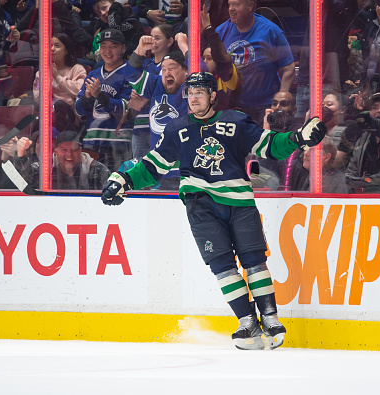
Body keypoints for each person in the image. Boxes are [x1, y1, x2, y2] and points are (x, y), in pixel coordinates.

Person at [100, 72, 327, 350]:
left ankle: (269, 317)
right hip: (201, 206)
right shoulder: (176, 129)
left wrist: (298, 138)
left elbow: (269, 146)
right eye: (190, 93)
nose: (194, 98)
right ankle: (247, 322)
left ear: (212, 96)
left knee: (254, 260)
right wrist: (124, 180)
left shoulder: (235, 121)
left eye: (200, 92)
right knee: (222, 266)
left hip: (240, 203)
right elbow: (152, 166)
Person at [215, 0, 295, 123]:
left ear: (250, 5)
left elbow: (289, 68)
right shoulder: (221, 31)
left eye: (236, 4)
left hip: (265, 106)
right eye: (229, 4)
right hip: (232, 106)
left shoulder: (271, 31)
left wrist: (279, 101)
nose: (231, 9)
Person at [75, 28, 137, 172]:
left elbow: (126, 111)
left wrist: (100, 95)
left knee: (117, 185)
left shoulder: (132, 73)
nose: (107, 51)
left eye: (113, 47)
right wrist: (88, 97)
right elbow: (78, 109)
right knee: (92, 186)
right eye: (103, 47)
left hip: (119, 143)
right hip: (92, 141)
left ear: (123, 48)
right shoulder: (93, 74)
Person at [127, 45, 188, 174]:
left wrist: (184, 45)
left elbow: (201, 70)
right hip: (159, 169)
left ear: (186, 71)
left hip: (185, 168)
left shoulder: (191, 88)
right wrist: (139, 50)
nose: (167, 73)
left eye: (172, 68)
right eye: (163, 69)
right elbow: (131, 73)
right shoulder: (156, 84)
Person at [13, 129, 109, 189]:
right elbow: (25, 176)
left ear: (80, 152)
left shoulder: (97, 169)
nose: (69, 154)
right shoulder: (46, 166)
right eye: (64, 149)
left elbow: (112, 189)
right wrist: (20, 153)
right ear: (56, 152)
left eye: (74, 149)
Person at [32, 32, 87, 108]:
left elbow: (79, 91)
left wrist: (57, 77)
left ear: (66, 51)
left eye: (57, 46)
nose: (52, 49)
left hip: (69, 113)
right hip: (48, 112)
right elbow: (37, 98)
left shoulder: (77, 69)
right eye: (50, 46)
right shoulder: (41, 73)